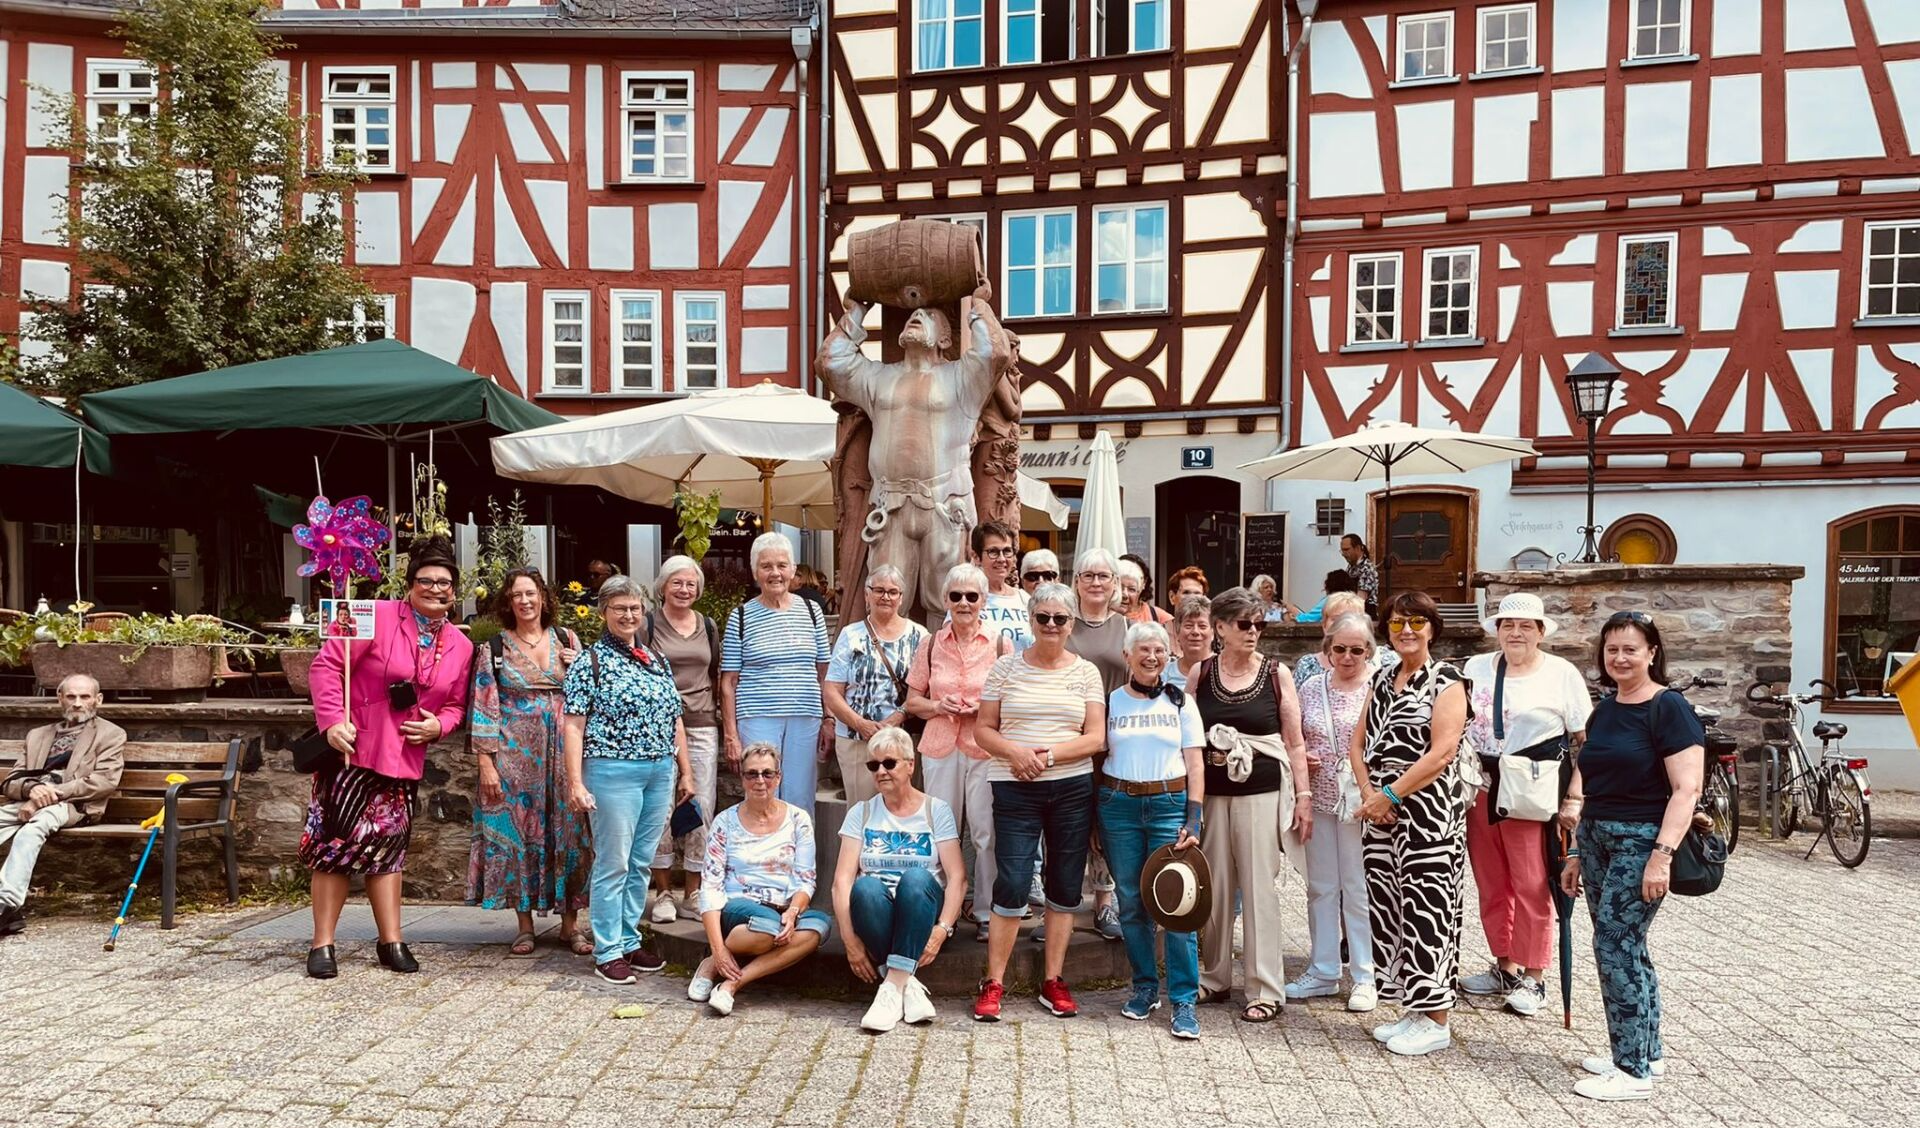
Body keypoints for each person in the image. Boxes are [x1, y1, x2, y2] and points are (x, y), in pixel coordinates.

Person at [304, 539, 475, 979]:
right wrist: (332, 721)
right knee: (335, 848)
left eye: (444, 583)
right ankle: (323, 943)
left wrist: (440, 726)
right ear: (410, 584)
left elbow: (456, 705)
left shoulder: (461, 644)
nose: (435, 589)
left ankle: (391, 941)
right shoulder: (372, 615)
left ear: (455, 591)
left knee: (389, 850)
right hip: (353, 751)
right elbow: (327, 667)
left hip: (402, 760)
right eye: (426, 581)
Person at [1561, 611, 1704, 1102]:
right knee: (1627, 946)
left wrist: (1661, 856)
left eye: (1630, 649)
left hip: (1640, 842)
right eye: (1612, 650)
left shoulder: (1669, 708)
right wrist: (1576, 851)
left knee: (1614, 946)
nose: (1620, 658)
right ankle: (1646, 1051)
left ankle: (1631, 1071)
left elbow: (1687, 789)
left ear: (1652, 653)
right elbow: (1592, 782)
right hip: (1596, 838)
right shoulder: (1606, 709)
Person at [816, 294, 1010, 613]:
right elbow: (831, 364)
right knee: (885, 597)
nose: (917, 313)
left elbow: (995, 353)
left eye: (929, 315)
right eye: (913, 314)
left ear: (945, 339)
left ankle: (946, 650)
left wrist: (978, 305)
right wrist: (857, 311)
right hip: (890, 504)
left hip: (946, 502)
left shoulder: (962, 377)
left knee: (949, 601)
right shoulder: (879, 377)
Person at [972, 582, 1106, 1021]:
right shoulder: (1005, 668)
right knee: (1012, 880)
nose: (1051, 624)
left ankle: (1053, 979)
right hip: (1014, 787)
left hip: (1071, 788)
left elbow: (1095, 737)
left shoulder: (1086, 673)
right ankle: (994, 981)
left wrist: (1047, 757)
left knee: (1064, 882)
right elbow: (983, 729)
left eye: (1059, 618)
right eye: (1043, 617)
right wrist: (1015, 753)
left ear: (1071, 624)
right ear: (1030, 620)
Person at [1459, 593, 1593, 1018]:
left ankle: (1534, 976)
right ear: (1497, 630)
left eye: (1525, 626)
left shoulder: (1561, 673)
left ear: (1540, 631)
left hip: (1532, 790)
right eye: (1508, 625)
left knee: (1532, 882)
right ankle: (1505, 966)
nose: (1515, 633)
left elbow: (1586, 741)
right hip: (1481, 785)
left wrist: (1575, 796)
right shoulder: (1476, 667)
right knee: (1491, 880)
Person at [1351, 591, 1470, 1057]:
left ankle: (1437, 1019)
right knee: (1391, 910)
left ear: (1432, 628)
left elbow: (1442, 753)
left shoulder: (1447, 681)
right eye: (1398, 622)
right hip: (1380, 815)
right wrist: (1370, 795)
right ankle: (1414, 1008)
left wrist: (1390, 794)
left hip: (1428, 816)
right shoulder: (1382, 677)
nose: (1406, 630)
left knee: (1429, 911)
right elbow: (1357, 744)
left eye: (1417, 622)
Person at [563, 575, 695, 985]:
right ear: (603, 612)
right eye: (619, 608)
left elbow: (675, 719)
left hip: (659, 770)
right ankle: (607, 949)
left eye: (635, 608)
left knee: (640, 862)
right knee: (614, 861)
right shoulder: (590, 662)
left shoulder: (656, 660)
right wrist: (575, 782)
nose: (628, 615)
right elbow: (573, 726)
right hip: (612, 770)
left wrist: (685, 770)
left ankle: (628, 938)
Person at [1191, 587, 1312, 1023]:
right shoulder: (1202, 673)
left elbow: (1294, 742)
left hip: (1261, 791)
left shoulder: (1277, 673)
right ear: (1221, 627)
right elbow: (1188, 738)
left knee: (1260, 888)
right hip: (1212, 792)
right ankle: (1214, 978)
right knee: (1215, 887)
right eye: (1245, 624)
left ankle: (1264, 988)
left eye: (1260, 624)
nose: (1253, 631)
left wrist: (1304, 797)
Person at [467, 568, 590, 957]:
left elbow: (589, 695)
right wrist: (486, 765)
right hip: (514, 758)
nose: (524, 600)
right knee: (519, 837)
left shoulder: (568, 639)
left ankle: (571, 926)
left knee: (570, 834)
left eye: (531, 593)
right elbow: (484, 707)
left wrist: (580, 665)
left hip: (566, 755)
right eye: (517, 594)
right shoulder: (495, 649)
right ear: (508, 602)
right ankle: (524, 927)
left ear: (543, 597)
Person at [1100, 622, 1206, 1039]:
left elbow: (1195, 763)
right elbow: (1098, 758)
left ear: (1168, 655)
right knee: (1130, 901)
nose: (1151, 657)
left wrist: (1194, 817)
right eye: (1143, 650)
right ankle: (1144, 986)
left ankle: (1183, 999)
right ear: (1127, 656)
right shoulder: (1111, 701)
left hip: (1168, 804)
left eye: (1159, 650)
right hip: (1118, 806)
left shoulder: (1181, 702)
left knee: (1177, 904)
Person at [831, 727, 968, 1032]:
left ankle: (889, 990)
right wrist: (850, 940)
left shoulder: (935, 810)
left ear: (910, 765)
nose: (881, 771)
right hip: (876, 916)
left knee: (916, 879)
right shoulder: (861, 813)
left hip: (922, 913)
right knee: (865, 887)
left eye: (889, 763)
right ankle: (907, 985)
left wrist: (942, 930)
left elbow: (958, 878)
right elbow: (841, 882)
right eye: (874, 765)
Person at [906, 563, 1012, 942]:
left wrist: (984, 709)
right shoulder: (930, 644)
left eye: (972, 596)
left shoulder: (1000, 644)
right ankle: (937, 909)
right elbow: (912, 701)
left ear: (984, 600)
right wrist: (938, 706)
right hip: (940, 744)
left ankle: (985, 911)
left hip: (984, 747)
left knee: (986, 832)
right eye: (956, 595)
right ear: (946, 600)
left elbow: (1010, 701)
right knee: (939, 832)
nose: (964, 602)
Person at [691, 743, 833, 1017]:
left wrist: (793, 911)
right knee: (768, 926)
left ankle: (732, 983)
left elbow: (805, 880)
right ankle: (714, 959)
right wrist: (718, 948)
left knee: (819, 927)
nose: (760, 780)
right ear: (742, 778)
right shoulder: (724, 822)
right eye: (752, 774)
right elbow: (710, 887)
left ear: (778, 777)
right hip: (738, 908)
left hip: (781, 910)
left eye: (767, 773)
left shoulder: (798, 819)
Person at [1289, 614, 1379, 1011]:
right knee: (1321, 886)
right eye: (1339, 649)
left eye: (1356, 650)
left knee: (1358, 888)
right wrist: (1302, 760)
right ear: (1327, 649)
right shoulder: (1311, 687)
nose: (1347, 657)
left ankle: (1365, 975)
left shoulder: (1378, 686)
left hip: (1361, 801)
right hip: (1321, 796)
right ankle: (1324, 969)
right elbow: (1293, 735)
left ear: (1369, 651)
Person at [0, 674, 123, 938]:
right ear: (60, 699)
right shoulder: (37, 735)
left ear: (98, 700)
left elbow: (104, 782)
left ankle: (6, 905)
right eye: (71, 696)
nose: (77, 703)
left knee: (32, 830)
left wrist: (49, 795)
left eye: (85, 696)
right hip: (27, 800)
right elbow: (12, 780)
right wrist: (31, 790)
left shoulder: (110, 734)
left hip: (72, 805)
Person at [721, 532, 833, 817]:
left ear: (793, 570)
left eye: (782, 565)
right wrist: (731, 734)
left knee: (800, 796)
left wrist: (829, 718)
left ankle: (800, 847)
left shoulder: (812, 611)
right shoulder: (741, 617)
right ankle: (761, 846)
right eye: (766, 566)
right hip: (757, 715)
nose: (775, 573)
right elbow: (728, 682)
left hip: (805, 715)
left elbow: (824, 671)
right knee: (761, 790)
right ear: (754, 572)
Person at [646, 556, 728, 925]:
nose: (684, 590)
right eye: (677, 583)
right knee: (661, 807)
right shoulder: (648, 625)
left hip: (701, 723)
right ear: (663, 586)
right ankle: (663, 891)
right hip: (657, 725)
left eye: (691, 584)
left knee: (702, 806)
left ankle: (693, 891)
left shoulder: (707, 626)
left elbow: (716, 671)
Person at [824, 564, 929, 806]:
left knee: (903, 808)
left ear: (901, 597)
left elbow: (926, 689)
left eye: (893, 592)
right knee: (862, 810)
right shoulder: (850, 635)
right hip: (857, 740)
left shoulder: (919, 635)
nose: (886, 597)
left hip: (903, 739)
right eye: (879, 590)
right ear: (866, 594)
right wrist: (860, 724)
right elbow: (832, 691)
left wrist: (897, 717)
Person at [1065, 546, 1127, 940]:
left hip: (1113, 738)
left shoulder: (1126, 626)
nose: (1095, 582)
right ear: (1076, 582)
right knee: (1069, 821)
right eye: (1088, 575)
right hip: (1069, 736)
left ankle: (1105, 904)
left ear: (1115, 583)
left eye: (1103, 576)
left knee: (1104, 822)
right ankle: (1062, 906)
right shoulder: (1061, 622)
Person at [973, 521, 1032, 652]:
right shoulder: (966, 599)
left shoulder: (1024, 600)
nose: (1001, 559)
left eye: (1007, 551)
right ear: (976, 557)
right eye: (993, 552)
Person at [1290, 592, 1368, 688]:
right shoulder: (1307, 665)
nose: (1341, 624)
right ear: (1324, 624)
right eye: (1336, 619)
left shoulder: (1376, 666)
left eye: (1349, 618)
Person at [1170, 595, 1215, 690]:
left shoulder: (1224, 672)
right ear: (1177, 632)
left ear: (1213, 632)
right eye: (1188, 626)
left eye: (1202, 626)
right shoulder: (1162, 675)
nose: (1195, 632)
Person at [1117, 557, 1173, 626]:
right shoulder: (1104, 615)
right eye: (1119, 587)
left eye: (1131, 589)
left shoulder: (1160, 617)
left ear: (1143, 584)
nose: (1124, 595)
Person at [1291, 569, 1359, 625]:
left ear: (1330, 585)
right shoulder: (1353, 600)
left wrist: (1291, 612)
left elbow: (1309, 619)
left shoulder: (1330, 600)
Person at [1342, 535, 1379, 611]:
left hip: (1364, 612)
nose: (1343, 554)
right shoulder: (1351, 567)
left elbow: (1360, 599)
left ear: (1358, 548)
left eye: (1346, 550)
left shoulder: (1367, 568)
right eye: (1342, 551)